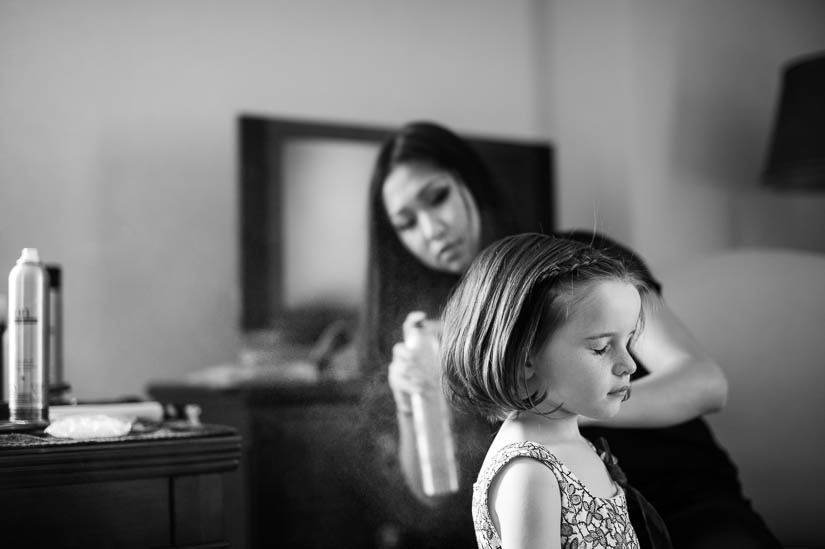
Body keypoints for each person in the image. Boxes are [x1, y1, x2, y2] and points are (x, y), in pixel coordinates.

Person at [355, 120, 780, 549]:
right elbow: (436, 493)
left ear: (471, 181)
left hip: (686, 502)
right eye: (407, 223)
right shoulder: (445, 333)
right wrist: (412, 403)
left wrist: (561, 408)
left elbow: (705, 383)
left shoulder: (586, 269)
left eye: (438, 198)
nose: (432, 230)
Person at [441, 233, 659, 548]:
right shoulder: (530, 475)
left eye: (628, 342)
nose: (629, 365)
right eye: (600, 348)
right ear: (525, 357)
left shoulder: (570, 442)